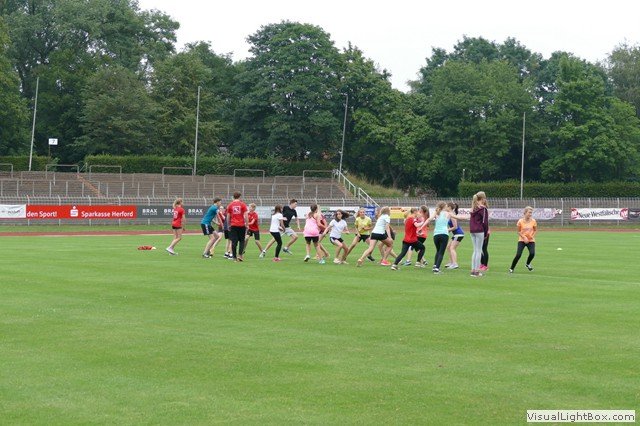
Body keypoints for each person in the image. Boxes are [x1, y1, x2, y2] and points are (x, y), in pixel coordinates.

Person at [430, 201, 458, 274]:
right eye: (446, 206)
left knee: (438, 251)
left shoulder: (436, 212)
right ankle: (437, 268)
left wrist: (422, 226)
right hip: (444, 234)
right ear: (444, 207)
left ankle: (435, 265)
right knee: (441, 252)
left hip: (436, 234)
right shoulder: (448, 213)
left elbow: (429, 219)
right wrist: (468, 216)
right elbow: (458, 217)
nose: (447, 207)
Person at [509, 206, 537, 273]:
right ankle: (511, 268)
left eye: (531, 213)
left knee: (532, 253)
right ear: (525, 213)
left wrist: (531, 237)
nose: (530, 214)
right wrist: (524, 237)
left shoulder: (533, 221)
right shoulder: (520, 221)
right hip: (522, 240)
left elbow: (535, 230)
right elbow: (518, 231)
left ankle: (528, 264)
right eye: (529, 212)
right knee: (518, 255)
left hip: (530, 240)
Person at [470, 191, 489, 277]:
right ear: (483, 198)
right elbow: (485, 222)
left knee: (475, 250)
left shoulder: (473, 208)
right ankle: (477, 271)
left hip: (472, 230)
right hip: (480, 230)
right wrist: (485, 233)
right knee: (478, 250)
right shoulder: (483, 209)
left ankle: (473, 270)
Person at [226, 192, 248, 261]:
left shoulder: (230, 205)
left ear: (233, 197)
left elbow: (228, 216)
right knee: (242, 241)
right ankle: (240, 255)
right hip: (241, 225)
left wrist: (228, 225)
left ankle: (234, 257)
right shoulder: (243, 204)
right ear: (239, 197)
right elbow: (246, 215)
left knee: (234, 241)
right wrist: (247, 224)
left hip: (233, 225)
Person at [445, 202, 464, 269]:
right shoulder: (450, 214)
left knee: (452, 248)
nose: (445, 208)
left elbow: (455, 227)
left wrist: (447, 230)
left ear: (450, 207)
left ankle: (455, 264)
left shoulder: (452, 215)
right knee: (448, 247)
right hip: (456, 234)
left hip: (459, 234)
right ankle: (451, 262)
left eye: (446, 206)